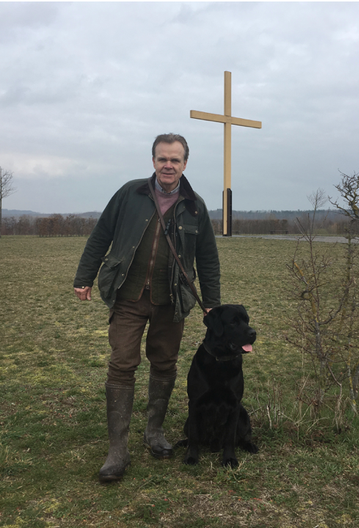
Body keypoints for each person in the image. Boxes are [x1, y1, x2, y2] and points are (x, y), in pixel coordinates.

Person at [74, 133, 221, 482]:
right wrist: (84, 276)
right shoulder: (130, 193)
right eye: (162, 159)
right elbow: (101, 235)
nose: (168, 165)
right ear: (153, 161)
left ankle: (154, 432)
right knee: (121, 365)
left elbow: (209, 259)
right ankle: (117, 450)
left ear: (185, 164)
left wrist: (211, 305)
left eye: (175, 160)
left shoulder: (195, 206)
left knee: (165, 362)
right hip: (128, 296)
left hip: (172, 301)